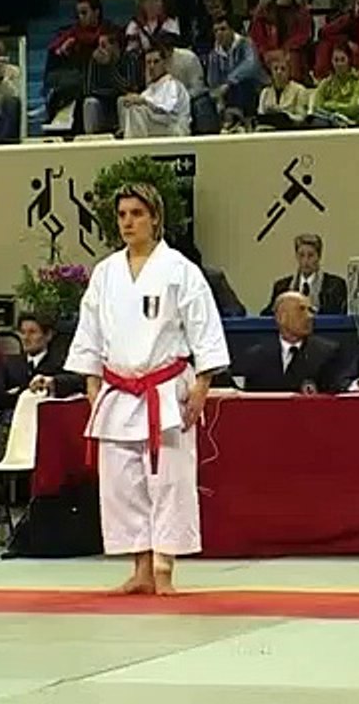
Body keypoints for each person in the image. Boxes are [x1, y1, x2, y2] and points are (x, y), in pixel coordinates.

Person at [36, 182, 230, 596]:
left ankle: (164, 569)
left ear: (155, 218)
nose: (128, 222)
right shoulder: (106, 273)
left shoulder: (180, 270)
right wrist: (91, 384)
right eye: (122, 215)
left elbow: (204, 330)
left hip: (165, 389)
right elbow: (89, 333)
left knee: (169, 480)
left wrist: (202, 385)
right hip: (118, 390)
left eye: (136, 214)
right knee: (123, 483)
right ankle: (139, 566)